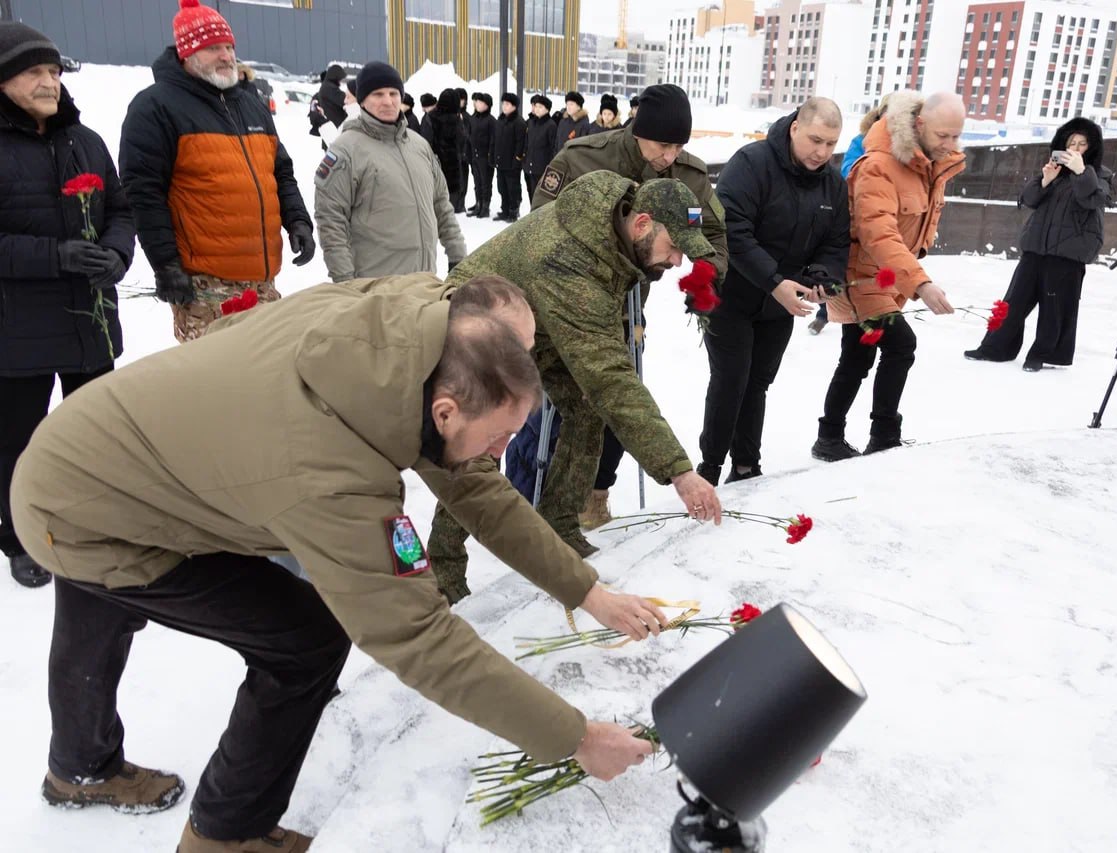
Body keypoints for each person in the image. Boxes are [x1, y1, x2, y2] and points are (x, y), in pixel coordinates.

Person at [12, 275, 666, 852]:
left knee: (101, 597)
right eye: (497, 436)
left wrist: (585, 590)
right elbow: (416, 635)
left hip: (105, 447)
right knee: (305, 639)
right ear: (446, 406)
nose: (500, 452)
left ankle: (79, 764)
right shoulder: (332, 473)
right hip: (88, 507)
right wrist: (574, 735)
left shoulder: (409, 324)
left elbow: (474, 485)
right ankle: (226, 834)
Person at [426, 173, 724, 602]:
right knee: (479, 449)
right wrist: (679, 471)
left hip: (542, 325)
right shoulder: (569, 259)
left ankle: (560, 522)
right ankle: (443, 571)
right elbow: (610, 378)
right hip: (479, 331)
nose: (678, 261)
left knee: (585, 409)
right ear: (642, 224)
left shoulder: (614, 231)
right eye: (674, 248)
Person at [530, 83, 728, 528]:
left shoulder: (688, 175)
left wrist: (706, 274)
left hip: (628, 303)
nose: (670, 156)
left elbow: (715, 234)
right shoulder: (582, 157)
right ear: (638, 130)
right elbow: (539, 225)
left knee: (618, 398)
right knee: (557, 401)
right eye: (663, 144)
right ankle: (534, 497)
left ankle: (594, 496)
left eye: (680, 146)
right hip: (567, 299)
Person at [0, 22, 135, 589]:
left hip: (91, 325)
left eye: (53, 71)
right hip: (17, 332)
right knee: (19, 443)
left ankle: (96, 523)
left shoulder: (86, 140)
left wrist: (115, 255)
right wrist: (55, 256)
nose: (48, 81)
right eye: (33, 71)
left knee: (98, 434)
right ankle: (18, 537)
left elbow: (121, 209)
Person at [118, 0, 314, 343]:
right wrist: (165, 265)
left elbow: (280, 171)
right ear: (186, 53)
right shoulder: (155, 107)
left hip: (262, 281)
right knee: (218, 388)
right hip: (205, 286)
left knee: (269, 378)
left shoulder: (250, 104)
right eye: (212, 48)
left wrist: (297, 220)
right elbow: (143, 193)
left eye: (229, 47)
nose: (226, 56)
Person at [698, 98, 850, 486]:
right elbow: (732, 231)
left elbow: (834, 243)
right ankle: (709, 468)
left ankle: (747, 467)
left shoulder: (832, 183)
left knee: (758, 383)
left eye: (831, 144)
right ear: (795, 127)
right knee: (731, 379)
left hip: (781, 304)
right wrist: (774, 281)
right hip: (732, 294)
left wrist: (822, 277)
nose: (822, 152)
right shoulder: (752, 163)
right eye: (815, 140)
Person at [813, 91, 966, 459]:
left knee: (857, 356)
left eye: (957, 136)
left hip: (888, 277)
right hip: (861, 275)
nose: (950, 145)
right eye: (943, 135)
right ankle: (883, 435)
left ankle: (829, 437)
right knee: (901, 345)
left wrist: (910, 274)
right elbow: (877, 234)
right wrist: (921, 283)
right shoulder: (880, 164)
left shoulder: (930, 162)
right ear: (919, 124)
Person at [964, 117, 1112, 372]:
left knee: (1055, 308)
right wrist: (1044, 180)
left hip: (1069, 252)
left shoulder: (1100, 175)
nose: (1075, 148)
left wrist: (1080, 172)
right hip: (1036, 246)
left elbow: (1093, 200)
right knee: (1014, 300)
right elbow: (1029, 200)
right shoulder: (1055, 171)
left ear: (1092, 147)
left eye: (1082, 144)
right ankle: (994, 348)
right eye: (1071, 143)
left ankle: (1044, 354)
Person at [313, 62, 465, 281]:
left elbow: (441, 205)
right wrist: (345, 283)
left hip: (423, 282)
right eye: (378, 94)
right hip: (376, 290)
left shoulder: (419, 146)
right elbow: (331, 222)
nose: (388, 101)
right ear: (362, 99)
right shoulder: (345, 151)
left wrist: (458, 255)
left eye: (394, 93)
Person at [812, 96, 892, 336]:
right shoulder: (862, 142)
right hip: (853, 216)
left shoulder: (906, 150)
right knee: (841, 271)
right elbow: (848, 171)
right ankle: (824, 313)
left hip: (883, 223)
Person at [430, 88, 467, 213]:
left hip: (433, 169)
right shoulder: (456, 121)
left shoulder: (431, 118)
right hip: (452, 172)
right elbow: (462, 142)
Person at [493, 92, 526, 222]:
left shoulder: (519, 122)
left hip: (512, 162)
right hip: (500, 161)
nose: (504, 106)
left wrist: (517, 159)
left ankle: (514, 211)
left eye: (507, 104)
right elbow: (495, 140)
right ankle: (505, 209)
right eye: (503, 104)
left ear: (514, 106)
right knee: (502, 187)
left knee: (513, 188)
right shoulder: (500, 120)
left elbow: (520, 143)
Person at [467, 92, 496, 218]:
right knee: (477, 182)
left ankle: (485, 206)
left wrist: (491, 156)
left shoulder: (491, 120)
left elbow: (493, 140)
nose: (477, 104)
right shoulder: (473, 119)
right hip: (475, 155)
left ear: (487, 105)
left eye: (481, 102)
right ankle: (478, 203)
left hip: (486, 157)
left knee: (485, 183)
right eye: (477, 102)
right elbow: (469, 137)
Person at [523, 94, 557, 199]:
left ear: (547, 109)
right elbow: (527, 143)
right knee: (531, 193)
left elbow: (553, 148)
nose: (537, 109)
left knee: (541, 196)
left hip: (542, 167)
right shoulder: (532, 122)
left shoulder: (551, 125)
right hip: (529, 166)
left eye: (540, 107)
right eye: (536, 106)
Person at [310, 64, 348, 143]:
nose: (340, 82)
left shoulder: (326, 87)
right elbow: (345, 100)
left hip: (332, 128)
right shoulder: (329, 88)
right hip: (334, 129)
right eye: (340, 79)